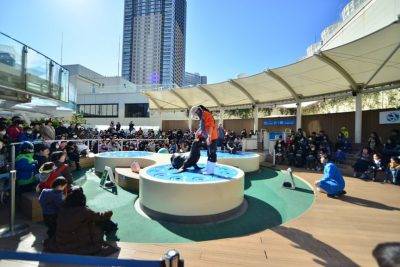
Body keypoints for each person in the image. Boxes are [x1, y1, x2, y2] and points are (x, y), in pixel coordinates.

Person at [44, 187, 119, 256]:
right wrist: (109, 212)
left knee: (90, 221)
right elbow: (100, 217)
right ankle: (112, 231)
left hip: (61, 241)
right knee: (101, 222)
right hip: (75, 242)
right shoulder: (83, 211)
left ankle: (111, 228)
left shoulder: (62, 208)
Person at [189, 105, 218, 175]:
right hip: (207, 137)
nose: (196, 116)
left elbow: (210, 125)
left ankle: (210, 171)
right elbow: (202, 127)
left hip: (212, 137)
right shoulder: (202, 116)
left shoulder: (206, 114)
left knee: (212, 153)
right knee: (209, 153)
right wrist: (197, 132)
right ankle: (208, 168)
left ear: (198, 111)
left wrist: (209, 136)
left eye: (196, 114)